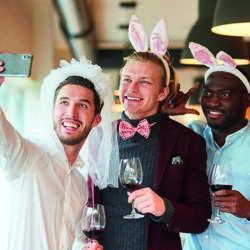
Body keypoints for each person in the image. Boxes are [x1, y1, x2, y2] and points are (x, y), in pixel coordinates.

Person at [88, 16, 211, 250]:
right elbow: (87, 203)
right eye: (127, 79)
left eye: (144, 82)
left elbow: (201, 217)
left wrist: (164, 208)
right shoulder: (98, 135)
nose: (132, 89)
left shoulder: (188, 142)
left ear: (163, 93)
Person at [0, 55, 113, 250]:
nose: (71, 112)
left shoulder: (80, 184)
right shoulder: (26, 156)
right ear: (52, 111)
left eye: (83, 105)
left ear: (96, 120)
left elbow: (77, 240)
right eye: (64, 102)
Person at [166, 42, 250, 250]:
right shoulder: (192, 135)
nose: (212, 102)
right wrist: (163, 114)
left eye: (225, 95)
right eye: (208, 92)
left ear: (247, 100)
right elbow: (150, 150)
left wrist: (249, 210)